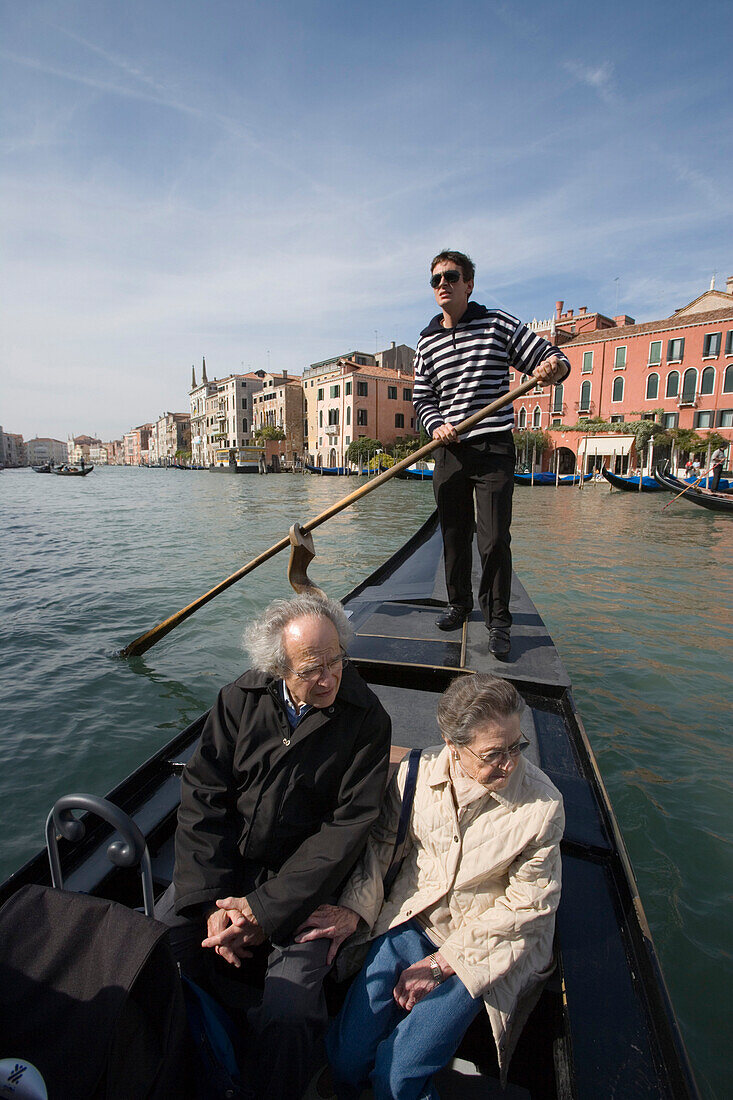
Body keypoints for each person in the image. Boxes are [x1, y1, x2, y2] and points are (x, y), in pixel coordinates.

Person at [155, 592, 391, 1100]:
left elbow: (345, 831)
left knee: (290, 1013)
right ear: (278, 667)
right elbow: (203, 799)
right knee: (156, 950)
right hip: (224, 874)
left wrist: (261, 911)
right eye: (312, 669)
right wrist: (212, 901)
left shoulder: (366, 719)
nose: (328, 678)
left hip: (303, 888)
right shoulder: (238, 699)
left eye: (336, 662)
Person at [297, 674, 564, 1100]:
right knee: (347, 1055)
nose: (510, 764)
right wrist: (356, 909)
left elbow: (528, 907)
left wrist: (444, 964)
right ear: (453, 746)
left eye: (517, 747)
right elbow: (382, 846)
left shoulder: (542, 806)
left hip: (482, 946)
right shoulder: (416, 773)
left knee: (398, 1074)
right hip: (413, 916)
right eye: (494, 753)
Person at [412, 251, 570, 659]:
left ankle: (499, 621)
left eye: (451, 276)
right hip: (448, 450)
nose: (442, 284)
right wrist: (436, 425)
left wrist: (554, 366)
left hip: (493, 447)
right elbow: (422, 397)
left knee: (494, 538)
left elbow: (553, 359)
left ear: (469, 284)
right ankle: (459, 604)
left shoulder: (498, 324)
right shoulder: (426, 341)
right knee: (453, 536)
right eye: (435, 280)